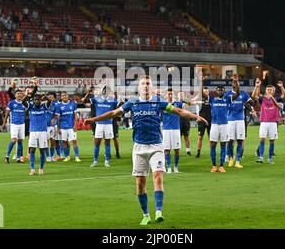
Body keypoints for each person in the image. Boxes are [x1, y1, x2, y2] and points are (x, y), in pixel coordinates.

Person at [84, 76, 208, 226]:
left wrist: (196, 117)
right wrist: (93, 120)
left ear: (151, 86)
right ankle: (145, 215)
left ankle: (158, 212)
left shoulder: (158, 101)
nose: (145, 86)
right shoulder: (133, 102)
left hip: (156, 146)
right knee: (140, 183)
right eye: (143, 83)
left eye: (148, 84)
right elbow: (112, 113)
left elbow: (178, 110)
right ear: (139, 87)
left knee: (157, 176)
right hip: (139, 147)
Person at [252, 77, 285, 164]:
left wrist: (281, 87)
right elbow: (254, 96)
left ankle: (269, 158)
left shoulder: (276, 99)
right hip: (264, 122)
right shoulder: (262, 98)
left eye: (271, 90)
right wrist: (257, 86)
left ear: (273, 91)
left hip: (273, 122)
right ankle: (261, 157)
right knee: (262, 139)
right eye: (268, 89)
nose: (269, 91)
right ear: (265, 91)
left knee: (272, 140)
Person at [82, 86, 119, 167]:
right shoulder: (96, 99)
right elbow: (84, 101)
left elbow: (119, 108)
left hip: (109, 124)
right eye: (105, 91)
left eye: (108, 91)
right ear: (103, 91)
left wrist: (120, 98)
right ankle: (95, 161)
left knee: (107, 142)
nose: (106, 92)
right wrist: (88, 94)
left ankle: (107, 161)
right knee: (97, 143)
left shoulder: (113, 101)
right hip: (99, 124)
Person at [225, 76, 253, 169]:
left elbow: (252, 102)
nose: (235, 84)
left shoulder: (244, 94)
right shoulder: (227, 94)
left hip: (240, 120)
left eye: (237, 82)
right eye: (234, 82)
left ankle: (237, 161)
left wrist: (251, 102)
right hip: (230, 120)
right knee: (230, 140)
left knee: (240, 140)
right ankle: (231, 158)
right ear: (232, 84)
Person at [26, 94, 50, 176]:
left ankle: (41, 168)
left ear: (41, 100)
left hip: (43, 131)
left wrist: (45, 96)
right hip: (33, 131)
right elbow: (22, 102)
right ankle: (32, 169)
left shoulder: (44, 106)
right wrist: (26, 95)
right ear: (33, 100)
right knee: (32, 150)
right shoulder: (31, 106)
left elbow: (50, 101)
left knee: (42, 150)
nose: (37, 101)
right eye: (35, 99)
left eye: (38, 99)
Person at [162, 89, 185, 174]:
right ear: (166, 95)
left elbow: (189, 105)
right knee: (166, 149)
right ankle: (168, 167)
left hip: (176, 129)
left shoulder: (178, 104)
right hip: (166, 130)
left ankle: (175, 167)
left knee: (177, 149)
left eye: (172, 94)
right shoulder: (163, 104)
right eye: (169, 94)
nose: (170, 96)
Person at [2, 89, 27, 164]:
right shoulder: (11, 103)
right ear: (15, 95)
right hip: (14, 124)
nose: (19, 95)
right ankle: (7, 156)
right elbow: (7, 113)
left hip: (22, 124)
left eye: (20, 94)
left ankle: (18, 158)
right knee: (13, 140)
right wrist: (4, 123)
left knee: (20, 141)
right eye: (18, 93)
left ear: (22, 95)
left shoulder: (24, 103)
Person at [56, 92, 81, 163]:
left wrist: (75, 125)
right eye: (63, 96)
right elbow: (58, 118)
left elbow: (75, 116)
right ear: (61, 97)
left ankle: (77, 156)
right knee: (64, 142)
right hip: (63, 127)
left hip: (71, 127)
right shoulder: (58, 106)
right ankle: (67, 156)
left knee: (74, 141)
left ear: (68, 96)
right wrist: (58, 128)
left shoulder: (73, 104)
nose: (64, 97)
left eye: (65, 95)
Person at [195, 87, 212, 158]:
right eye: (204, 92)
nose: (205, 93)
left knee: (210, 138)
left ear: (208, 92)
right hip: (201, 120)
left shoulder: (210, 99)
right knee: (200, 137)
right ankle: (198, 152)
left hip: (210, 120)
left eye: (207, 92)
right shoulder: (199, 99)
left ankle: (212, 152)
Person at [177, 92, 192, 156]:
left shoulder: (187, 103)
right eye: (180, 95)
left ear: (184, 96)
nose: (181, 96)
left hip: (186, 121)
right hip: (178, 122)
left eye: (182, 95)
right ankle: (178, 151)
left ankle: (188, 151)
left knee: (186, 136)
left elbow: (190, 107)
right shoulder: (175, 103)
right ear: (177, 96)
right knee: (178, 137)